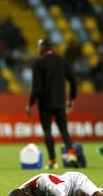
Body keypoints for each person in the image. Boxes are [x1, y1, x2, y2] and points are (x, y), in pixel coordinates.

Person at [25, 38, 78, 169]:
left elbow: (36, 87)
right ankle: (71, 154)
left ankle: (53, 161)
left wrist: (30, 103)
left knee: (47, 131)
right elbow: (73, 81)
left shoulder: (38, 63)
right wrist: (71, 99)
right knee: (64, 130)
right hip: (60, 102)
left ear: (42, 48)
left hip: (45, 103)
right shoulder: (62, 61)